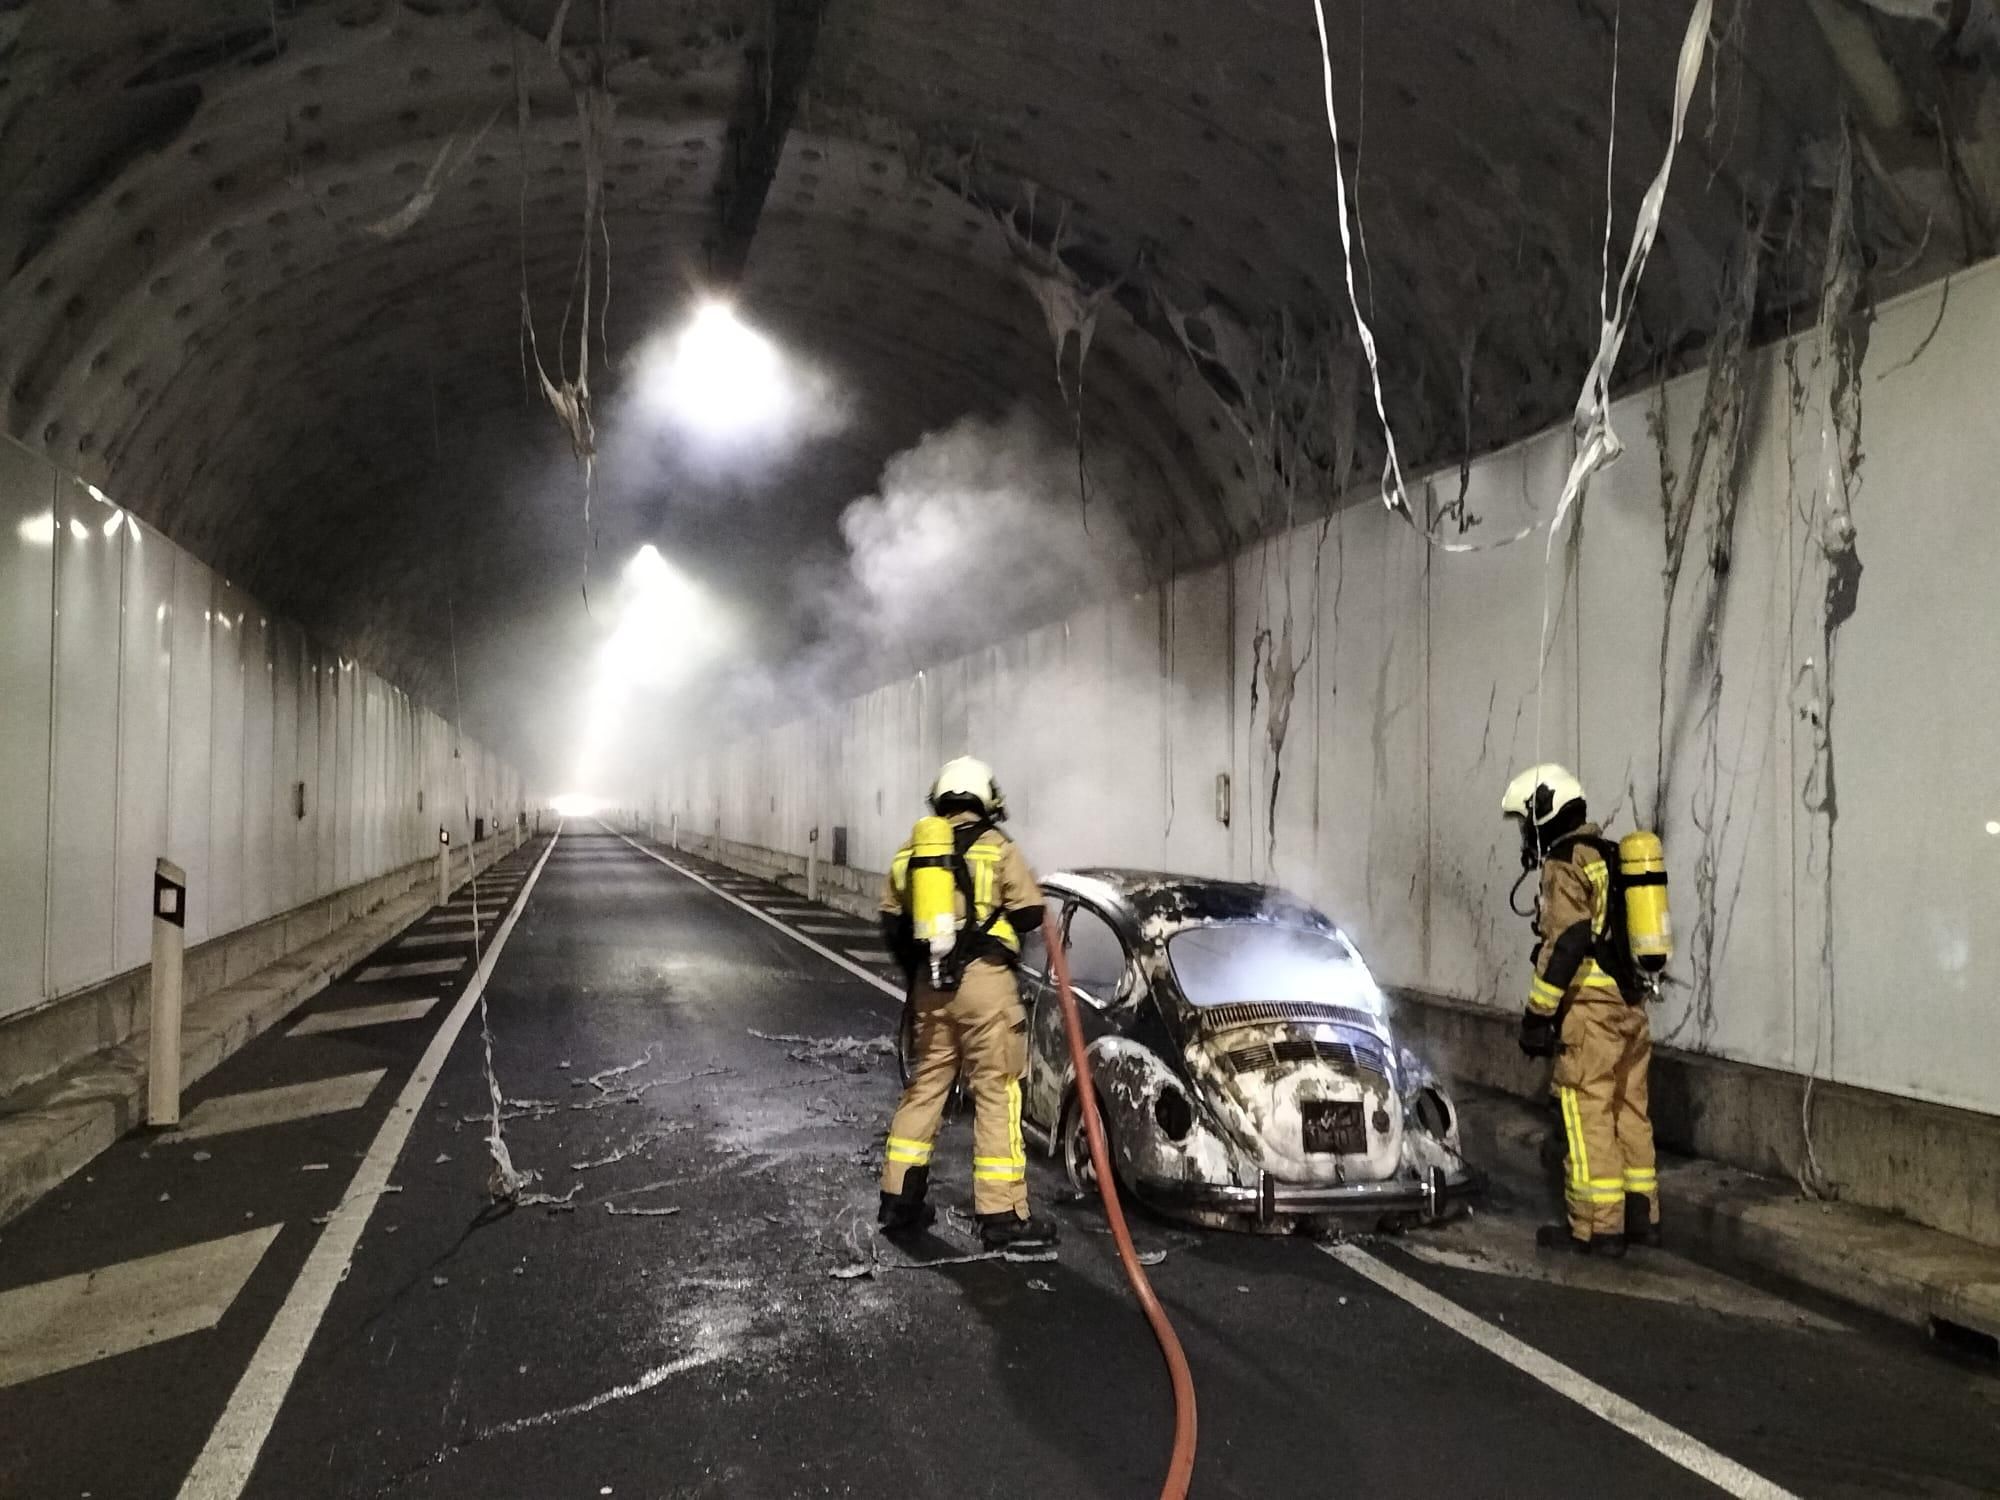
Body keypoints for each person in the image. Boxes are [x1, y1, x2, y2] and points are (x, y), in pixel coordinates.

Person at [877, 756, 1059, 1251]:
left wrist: (922, 973)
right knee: (998, 1091)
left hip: (931, 989)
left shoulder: (912, 852)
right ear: (986, 800)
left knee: (928, 1086)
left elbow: (891, 920)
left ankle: (899, 1198)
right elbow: (1027, 914)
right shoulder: (998, 848)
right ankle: (1002, 1214)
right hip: (986, 989)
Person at [1502, 764, 1661, 1258]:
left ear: (1545, 811)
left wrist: (1538, 1014)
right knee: (1629, 1111)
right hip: (1629, 1006)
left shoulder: (1564, 864)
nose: (1526, 834)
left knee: (1586, 1111)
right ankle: (1642, 1217)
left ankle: (1596, 1228)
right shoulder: (1608, 856)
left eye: (1527, 821)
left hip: (1590, 1014)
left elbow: (1567, 941)